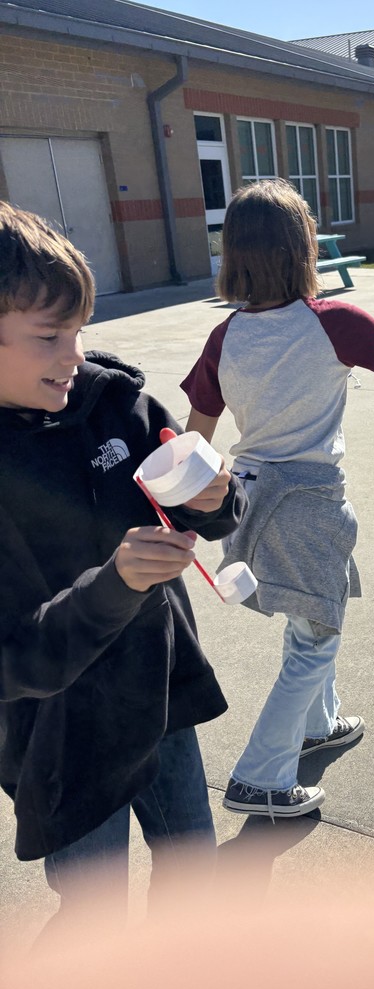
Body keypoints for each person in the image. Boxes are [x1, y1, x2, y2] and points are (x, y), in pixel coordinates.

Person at [0, 202, 246, 921]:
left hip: (162, 691)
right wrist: (116, 584)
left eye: (80, 331)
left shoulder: (116, 405)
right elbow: (13, 658)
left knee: (191, 872)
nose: (74, 356)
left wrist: (212, 497)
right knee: (94, 913)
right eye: (49, 337)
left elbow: (207, 512)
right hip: (66, 738)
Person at [181, 179, 374, 819]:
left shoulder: (227, 337)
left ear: (234, 255)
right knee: (316, 638)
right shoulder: (333, 323)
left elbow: (196, 441)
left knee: (311, 617)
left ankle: (316, 725)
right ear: (302, 247)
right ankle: (260, 776)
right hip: (310, 506)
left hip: (250, 502)